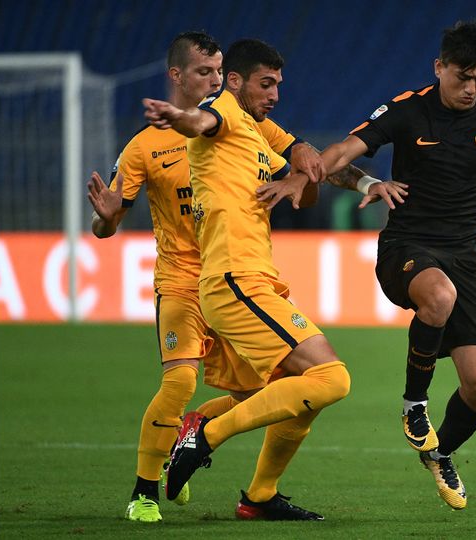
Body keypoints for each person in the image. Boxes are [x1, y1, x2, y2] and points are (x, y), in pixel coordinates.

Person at [258, 19, 476, 510]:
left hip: (466, 256)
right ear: (440, 68)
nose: (472, 89)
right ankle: (415, 406)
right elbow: (343, 151)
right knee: (438, 295)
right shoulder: (407, 110)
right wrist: (299, 178)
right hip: (406, 247)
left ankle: (442, 453)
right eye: (463, 77)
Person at [141, 38, 407, 521]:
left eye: (279, 84)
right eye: (266, 84)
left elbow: (312, 162)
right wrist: (176, 118)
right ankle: (204, 436)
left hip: (255, 278)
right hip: (233, 279)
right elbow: (199, 121)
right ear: (236, 81)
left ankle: (258, 495)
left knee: (300, 391)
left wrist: (365, 182)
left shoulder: (258, 127)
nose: (275, 94)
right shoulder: (220, 110)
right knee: (333, 378)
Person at [87, 31, 334, 523]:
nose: (214, 80)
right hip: (182, 280)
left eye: (219, 72)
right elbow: (104, 225)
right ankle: (144, 492)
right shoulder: (144, 147)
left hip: (232, 279)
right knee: (180, 379)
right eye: (204, 72)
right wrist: (109, 218)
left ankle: (199, 433)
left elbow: (297, 150)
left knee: (258, 397)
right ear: (176, 76)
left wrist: (310, 158)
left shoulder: (244, 121)